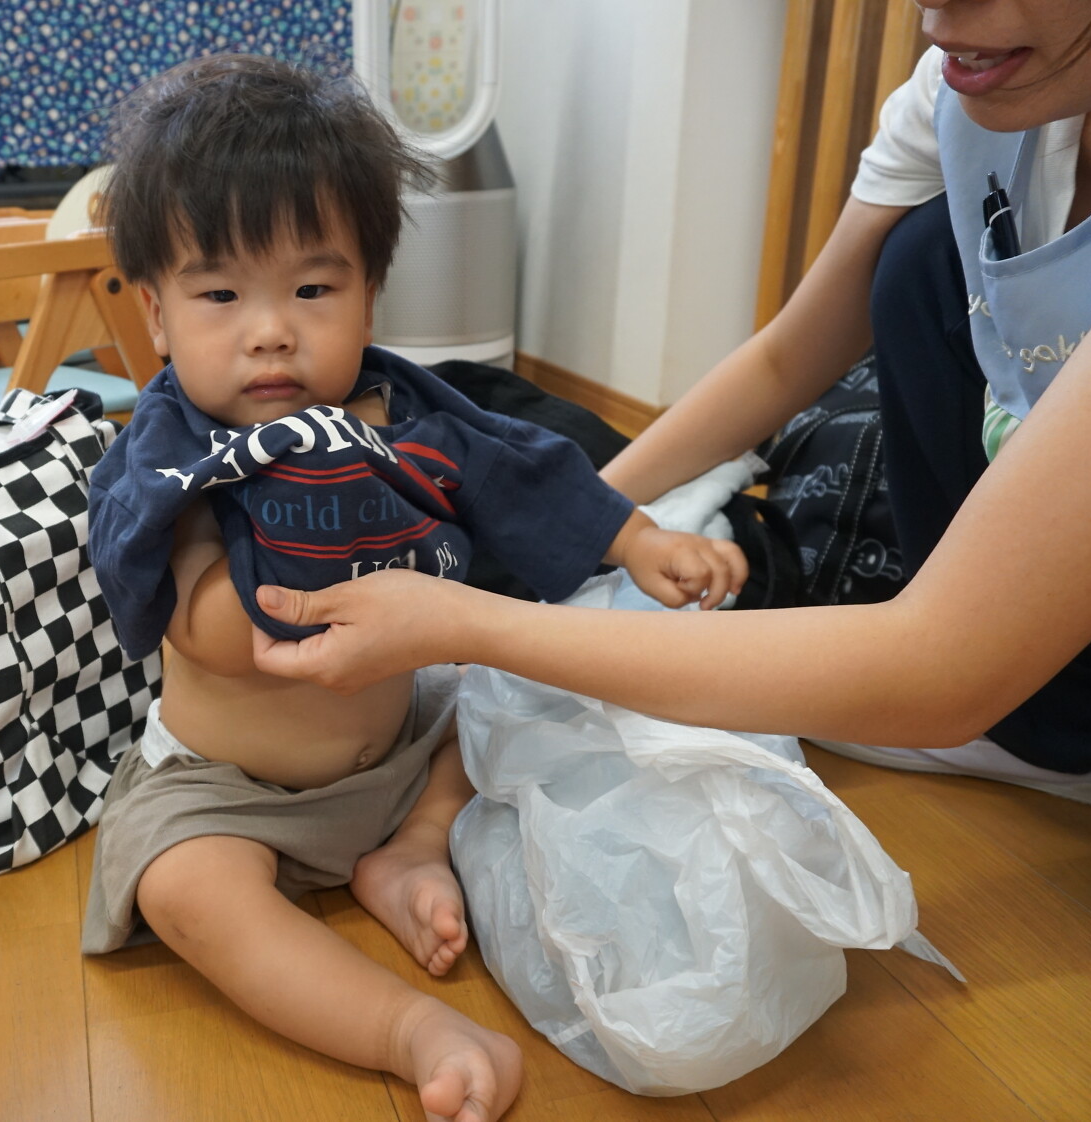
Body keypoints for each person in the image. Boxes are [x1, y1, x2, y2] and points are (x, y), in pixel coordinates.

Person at [79, 54, 746, 1122]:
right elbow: (196, 618)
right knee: (183, 889)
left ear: (369, 293)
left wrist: (634, 538)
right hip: (232, 789)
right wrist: (309, 573)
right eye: (221, 294)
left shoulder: (405, 412)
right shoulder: (176, 446)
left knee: (502, 704)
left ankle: (411, 851)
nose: (270, 330)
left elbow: (520, 468)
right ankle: (404, 1027)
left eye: (313, 289)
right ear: (157, 315)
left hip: (397, 751)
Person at [249, 0, 1091, 803]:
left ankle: (1047, 721)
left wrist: (467, 622)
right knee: (916, 254)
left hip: (998, 679)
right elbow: (782, 361)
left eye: (315, 289)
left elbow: (940, 672)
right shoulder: (958, 92)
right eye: (218, 295)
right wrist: (582, 523)